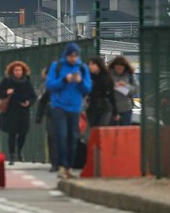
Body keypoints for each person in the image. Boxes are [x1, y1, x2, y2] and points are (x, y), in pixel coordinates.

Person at [46, 42, 92, 179]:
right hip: (59, 105)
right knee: (61, 135)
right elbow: (50, 85)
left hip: (75, 106)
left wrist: (79, 81)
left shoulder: (83, 68)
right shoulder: (57, 66)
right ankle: (62, 165)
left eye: (75, 56)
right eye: (70, 56)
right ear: (66, 55)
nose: (72, 58)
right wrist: (64, 80)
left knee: (73, 137)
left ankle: (69, 167)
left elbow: (88, 88)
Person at [0, 61, 37, 165]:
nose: (18, 72)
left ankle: (20, 151)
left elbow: (33, 96)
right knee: (12, 133)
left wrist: (28, 102)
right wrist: (6, 92)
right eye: (16, 70)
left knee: (23, 133)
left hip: (23, 111)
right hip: (11, 111)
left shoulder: (27, 82)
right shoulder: (7, 81)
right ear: (12, 71)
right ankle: (12, 155)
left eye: (20, 70)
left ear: (24, 71)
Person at [35, 67, 58, 173]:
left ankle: (64, 162)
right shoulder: (50, 86)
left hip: (66, 113)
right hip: (51, 114)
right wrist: (39, 116)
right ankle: (54, 162)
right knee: (52, 136)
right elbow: (43, 100)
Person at [87, 57, 117, 128]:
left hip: (104, 107)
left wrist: (115, 111)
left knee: (101, 128)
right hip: (92, 107)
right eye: (89, 64)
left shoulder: (106, 77)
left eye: (93, 64)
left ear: (99, 65)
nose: (90, 66)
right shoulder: (88, 77)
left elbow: (111, 94)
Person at [108, 56, 139, 126]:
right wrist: (112, 85)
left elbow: (136, 89)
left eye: (121, 68)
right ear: (114, 67)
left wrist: (126, 86)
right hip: (112, 107)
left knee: (124, 129)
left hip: (126, 108)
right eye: (117, 68)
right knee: (111, 130)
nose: (119, 70)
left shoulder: (130, 74)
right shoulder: (108, 74)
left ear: (125, 67)